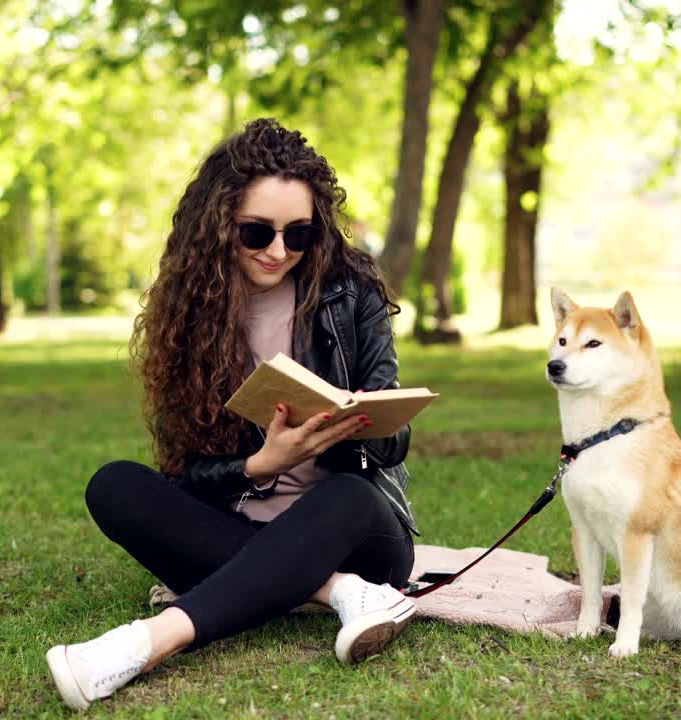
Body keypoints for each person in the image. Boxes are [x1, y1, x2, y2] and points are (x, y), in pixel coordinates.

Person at [46, 118, 420, 711]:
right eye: (257, 232)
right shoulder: (189, 311)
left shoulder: (351, 292)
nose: (279, 251)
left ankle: (148, 643)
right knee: (113, 485)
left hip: (353, 526)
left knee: (346, 496)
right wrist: (260, 464)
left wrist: (340, 434)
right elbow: (185, 472)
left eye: (298, 235)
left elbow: (392, 440)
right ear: (220, 225)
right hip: (240, 522)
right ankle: (339, 593)